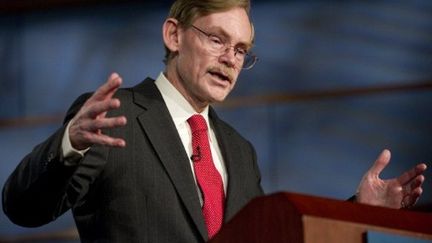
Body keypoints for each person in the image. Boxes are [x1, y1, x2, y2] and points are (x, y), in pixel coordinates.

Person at [2, 0, 427, 242]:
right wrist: (69, 144)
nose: (230, 59)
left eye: (241, 50)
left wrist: (355, 213)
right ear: (174, 35)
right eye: (217, 39)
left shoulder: (240, 151)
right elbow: (24, 208)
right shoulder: (115, 116)